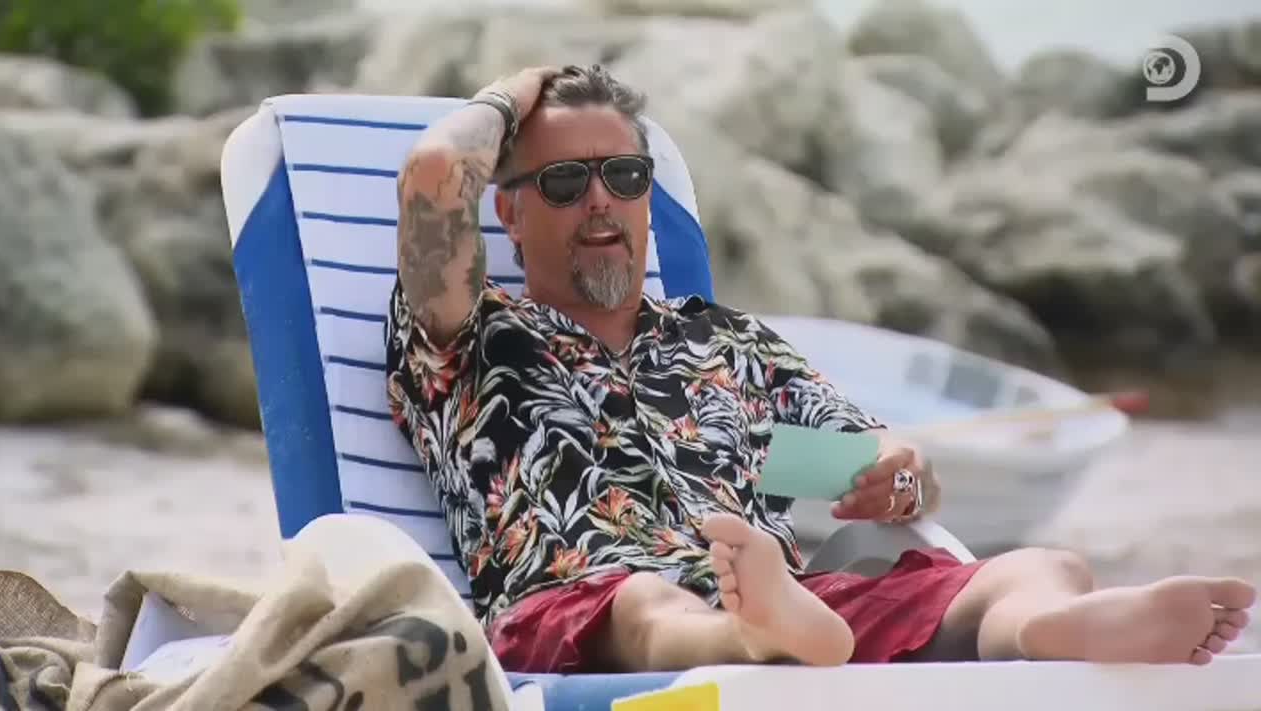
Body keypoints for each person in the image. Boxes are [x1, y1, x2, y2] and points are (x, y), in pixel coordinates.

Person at [385, 63, 1255, 674]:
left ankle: (1056, 626)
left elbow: (864, 466)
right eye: (566, 182)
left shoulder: (723, 345)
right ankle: (757, 636)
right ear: (509, 212)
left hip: (798, 611)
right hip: (581, 615)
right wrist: (524, 88)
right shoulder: (467, 337)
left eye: (624, 173)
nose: (601, 199)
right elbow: (433, 172)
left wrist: (897, 477)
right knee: (649, 603)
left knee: (1036, 565)